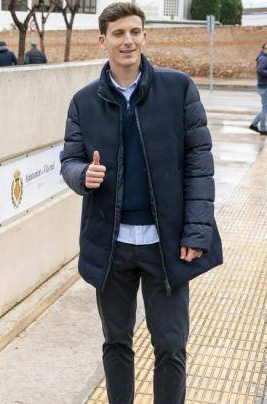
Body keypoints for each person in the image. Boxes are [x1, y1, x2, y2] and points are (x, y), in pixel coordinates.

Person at [59, 3, 223, 403]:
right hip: (110, 244)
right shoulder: (84, 101)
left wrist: (197, 231)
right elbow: (70, 160)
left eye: (134, 32)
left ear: (145, 36)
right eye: (118, 33)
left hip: (167, 244)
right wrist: (82, 175)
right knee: (116, 341)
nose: (128, 40)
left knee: (170, 344)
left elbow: (199, 163)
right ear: (103, 41)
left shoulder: (178, 88)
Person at [250, 43, 267, 135]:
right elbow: (260, 70)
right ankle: (263, 129)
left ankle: (254, 124)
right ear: (263, 49)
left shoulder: (263, 57)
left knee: (265, 107)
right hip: (264, 87)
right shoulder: (263, 58)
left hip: (263, 86)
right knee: (265, 108)